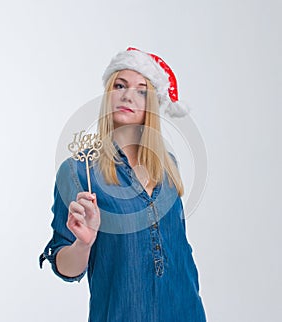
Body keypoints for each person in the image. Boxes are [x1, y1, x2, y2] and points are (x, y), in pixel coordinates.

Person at [40, 47, 207, 321]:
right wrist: (83, 244)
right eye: (120, 85)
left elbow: (179, 249)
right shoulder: (79, 172)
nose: (128, 95)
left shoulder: (168, 167)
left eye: (142, 90)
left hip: (185, 309)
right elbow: (65, 266)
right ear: (109, 93)